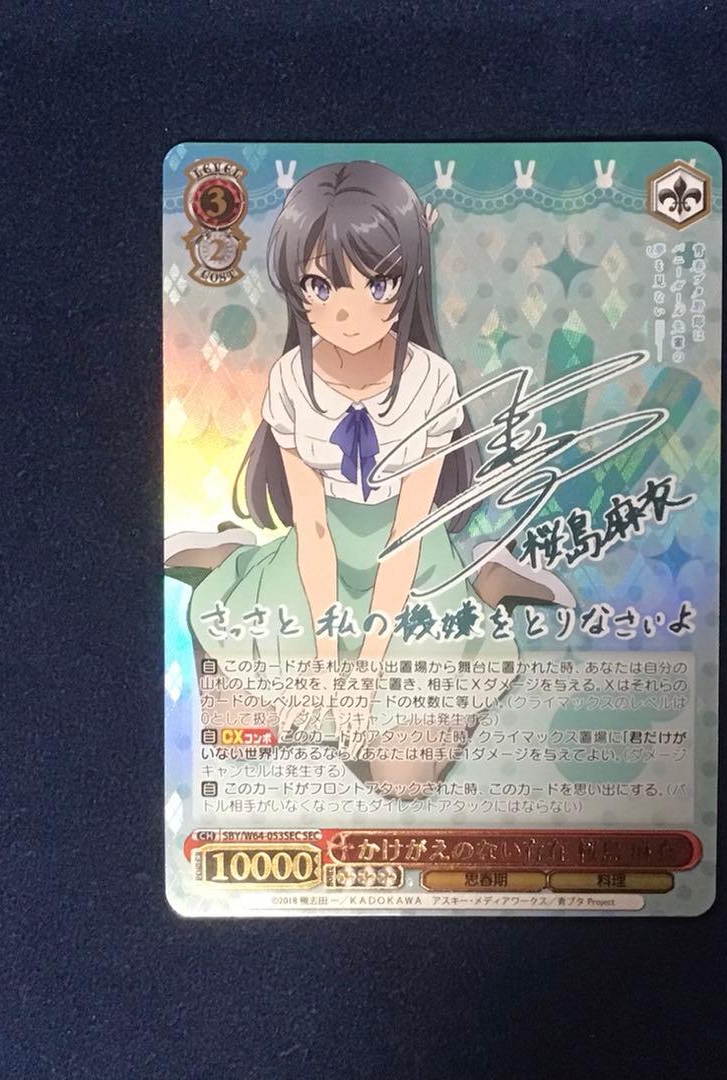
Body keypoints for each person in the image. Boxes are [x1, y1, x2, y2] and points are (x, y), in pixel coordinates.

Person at [165, 161, 572, 795]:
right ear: (296, 288)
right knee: (239, 735)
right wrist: (328, 666)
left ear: (409, 278)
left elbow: (407, 536)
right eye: (321, 285)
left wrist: (370, 671)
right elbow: (314, 530)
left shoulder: (430, 382)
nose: (348, 313)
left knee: (404, 777)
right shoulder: (292, 379)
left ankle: (485, 578)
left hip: (410, 558)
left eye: (377, 284)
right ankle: (236, 556)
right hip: (317, 551)